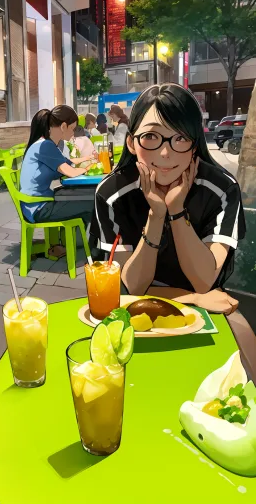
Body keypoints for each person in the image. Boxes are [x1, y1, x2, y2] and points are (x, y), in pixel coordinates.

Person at [90, 84, 255, 376]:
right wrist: (156, 213)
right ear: (131, 143)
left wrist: (176, 210)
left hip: (206, 308)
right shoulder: (112, 193)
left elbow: (204, 280)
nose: (166, 152)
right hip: (138, 310)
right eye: (151, 137)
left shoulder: (221, 189)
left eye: (179, 137)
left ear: (195, 142)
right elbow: (132, 288)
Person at [20, 106, 97, 259]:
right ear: (63, 126)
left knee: (88, 199)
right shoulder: (45, 145)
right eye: (72, 129)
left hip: (39, 204)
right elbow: (70, 171)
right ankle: (93, 249)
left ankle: (74, 244)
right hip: (39, 208)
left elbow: (69, 162)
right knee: (94, 202)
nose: (73, 133)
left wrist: (89, 159)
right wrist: (90, 167)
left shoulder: (45, 144)